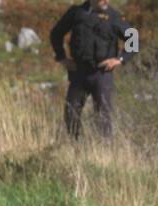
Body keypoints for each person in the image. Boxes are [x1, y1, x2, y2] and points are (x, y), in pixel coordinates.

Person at [50, 0, 138, 140]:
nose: (106, 1)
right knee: (71, 112)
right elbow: (56, 33)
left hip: (102, 73)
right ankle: (75, 146)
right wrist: (62, 58)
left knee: (103, 117)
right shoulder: (76, 13)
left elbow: (133, 36)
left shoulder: (114, 16)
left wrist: (120, 59)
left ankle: (104, 153)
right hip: (79, 73)